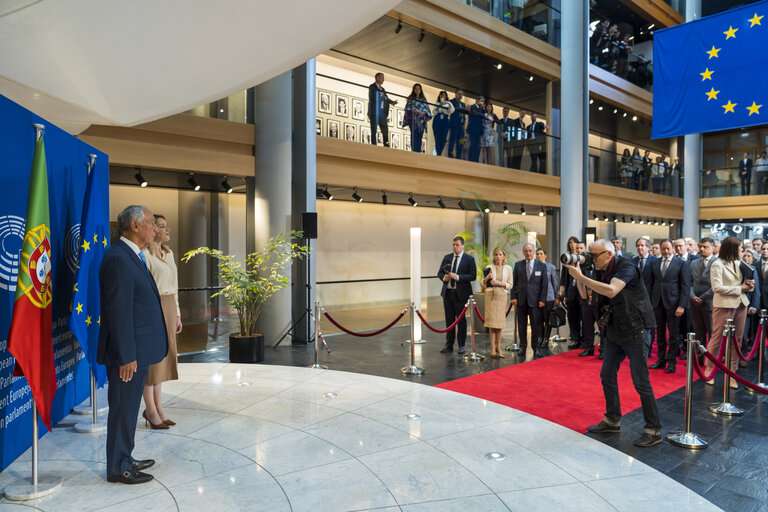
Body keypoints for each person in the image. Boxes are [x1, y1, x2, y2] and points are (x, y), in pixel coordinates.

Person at [565, 239, 661, 447]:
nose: (590, 259)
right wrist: (579, 277)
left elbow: (611, 290)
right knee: (607, 374)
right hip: (614, 329)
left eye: (594, 255)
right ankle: (612, 419)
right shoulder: (600, 269)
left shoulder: (626, 265)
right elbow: (585, 295)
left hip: (636, 328)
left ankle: (653, 429)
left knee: (640, 381)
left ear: (608, 254)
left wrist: (581, 276)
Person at [97, 205, 168, 484]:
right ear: (135, 226)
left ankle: (125, 456)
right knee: (123, 410)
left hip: (137, 351)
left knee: (127, 409)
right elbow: (119, 312)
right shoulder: (118, 258)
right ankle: (118, 467)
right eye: (151, 223)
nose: (155, 228)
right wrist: (127, 355)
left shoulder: (132, 255)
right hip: (127, 355)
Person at [141, 215, 182, 430]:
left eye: (167, 225)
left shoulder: (168, 253)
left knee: (164, 360)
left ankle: (158, 408)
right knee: (152, 363)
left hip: (168, 306)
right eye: (162, 226)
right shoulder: (145, 254)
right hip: (154, 306)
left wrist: (176, 314)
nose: (167, 230)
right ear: (153, 229)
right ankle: (150, 410)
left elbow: (174, 286)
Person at [706, 237, 754, 388]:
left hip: (741, 304)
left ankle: (731, 373)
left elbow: (747, 286)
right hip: (724, 305)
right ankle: (709, 368)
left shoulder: (739, 263)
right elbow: (717, 288)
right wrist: (741, 288)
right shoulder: (717, 264)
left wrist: (749, 285)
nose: (742, 251)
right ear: (733, 249)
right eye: (740, 248)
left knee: (737, 340)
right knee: (717, 338)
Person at [648, 239, 690, 373]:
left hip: (674, 303)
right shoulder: (654, 263)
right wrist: (649, 302)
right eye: (663, 249)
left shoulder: (681, 263)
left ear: (672, 248)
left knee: (673, 334)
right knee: (659, 333)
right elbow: (650, 284)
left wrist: (682, 305)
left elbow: (685, 286)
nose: (666, 251)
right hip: (657, 303)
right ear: (660, 249)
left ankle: (671, 361)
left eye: (668, 249)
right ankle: (661, 359)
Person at [438, 236, 477, 354]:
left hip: (461, 295)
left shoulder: (469, 259)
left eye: (457, 245)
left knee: (461, 321)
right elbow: (439, 272)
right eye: (453, 245)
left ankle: (461, 345)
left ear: (462, 245)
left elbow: (473, 276)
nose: (455, 247)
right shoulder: (447, 258)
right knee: (449, 320)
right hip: (448, 293)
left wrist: (458, 277)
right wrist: (444, 277)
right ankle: (448, 345)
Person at [512, 243, 548, 357]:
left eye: (530, 251)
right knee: (522, 325)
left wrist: (542, 299)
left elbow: (544, 285)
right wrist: (513, 297)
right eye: (526, 251)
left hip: (536, 301)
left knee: (535, 326)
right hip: (521, 300)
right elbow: (514, 284)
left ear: (534, 252)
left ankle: (536, 347)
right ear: (523, 252)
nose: (528, 253)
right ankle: (522, 347)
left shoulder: (541, 266)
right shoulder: (518, 265)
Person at [482, 248, 513, 358]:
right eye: (496, 254)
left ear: (504, 256)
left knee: (499, 324)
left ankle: (498, 346)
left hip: (501, 296)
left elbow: (510, 284)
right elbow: (482, 283)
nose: (498, 256)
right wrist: (487, 278)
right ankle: (492, 347)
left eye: (500, 254)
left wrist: (500, 283)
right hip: (490, 296)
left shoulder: (508, 268)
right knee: (492, 324)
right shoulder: (489, 268)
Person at [689, 238, 715, 351]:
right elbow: (689, 282)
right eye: (700, 246)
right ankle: (698, 357)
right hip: (694, 303)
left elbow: (716, 285)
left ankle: (713, 359)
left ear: (713, 248)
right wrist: (692, 296)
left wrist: (702, 298)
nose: (702, 249)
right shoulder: (694, 263)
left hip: (710, 302)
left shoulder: (718, 263)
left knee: (712, 332)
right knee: (698, 332)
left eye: (705, 247)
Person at [633, 238, 657, 356]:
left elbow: (656, 283)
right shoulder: (633, 261)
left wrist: (653, 301)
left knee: (649, 324)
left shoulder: (655, 261)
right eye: (638, 245)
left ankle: (648, 346)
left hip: (649, 299)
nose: (640, 248)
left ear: (648, 247)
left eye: (642, 245)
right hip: (635, 299)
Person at [561, 236, 583, 350]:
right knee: (572, 316)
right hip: (571, 291)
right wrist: (564, 292)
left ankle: (583, 339)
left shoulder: (584, 259)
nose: (573, 245)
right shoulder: (567, 258)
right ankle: (574, 338)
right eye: (571, 243)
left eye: (575, 243)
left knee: (583, 316)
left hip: (582, 291)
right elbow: (564, 276)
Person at [536, 248, 559, 356]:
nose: (539, 256)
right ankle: (540, 337)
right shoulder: (534, 266)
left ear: (545, 255)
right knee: (539, 319)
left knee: (547, 319)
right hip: (537, 297)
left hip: (549, 297)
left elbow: (554, 282)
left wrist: (556, 296)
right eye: (537, 254)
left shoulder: (550, 267)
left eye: (541, 254)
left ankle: (546, 338)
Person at [368, 73, 396, 147]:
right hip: (375, 112)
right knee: (374, 130)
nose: (383, 79)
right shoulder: (372, 87)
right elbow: (375, 97)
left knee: (385, 130)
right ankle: (374, 145)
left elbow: (386, 98)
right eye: (382, 77)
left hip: (382, 113)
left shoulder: (382, 89)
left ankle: (386, 144)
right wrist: (382, 97)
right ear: (377, 78)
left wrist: (392, 102)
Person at [404, 83, 432, 153]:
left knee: (420, 136)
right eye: (416, 89)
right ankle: (413, 151)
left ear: (420, 90)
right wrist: (416, 111)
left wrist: (424, 112)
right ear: (413, 90)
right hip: (413, 120)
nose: (417, 90)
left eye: (418, 89)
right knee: (414, 136)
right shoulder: (411, 98)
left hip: (421, 121)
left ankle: (418, 151)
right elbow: (408, 108)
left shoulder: (423, 99)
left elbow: (427, 110)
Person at [432, 90, 454, 156]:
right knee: (437, 136)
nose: (443, 96)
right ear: (440, 96)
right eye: (442, 95)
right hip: (437, 119)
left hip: (445, 120)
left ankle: (440, 152)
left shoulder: (448, 103)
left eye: (444, 95)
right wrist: (439, 105)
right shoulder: (437, 103)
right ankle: (438, 152)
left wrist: (448, 104)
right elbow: (434, 112)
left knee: (443, 137)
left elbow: (452, 111)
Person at [447, 89, 467, 159]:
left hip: (461, 126)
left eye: (461, 94)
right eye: (459, 94)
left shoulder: (463, 104)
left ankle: (458, 156)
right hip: (454, 124)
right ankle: (450, 155)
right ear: (455, 94)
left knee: (460, 141)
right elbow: (453, 110)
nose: (460, 95)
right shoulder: (451, 102)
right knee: (452, 140)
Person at [466, 97, 486, 163]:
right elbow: (475, 114)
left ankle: (476, 161)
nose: (482, 102)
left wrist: (483, 109)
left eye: (483, 101)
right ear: (477, 100)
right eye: (481, 101)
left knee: (478, 146)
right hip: (472, 129)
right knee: (473, 145)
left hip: (479, 130)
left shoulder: (482, 109)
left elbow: (485, 117)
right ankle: (470, 160)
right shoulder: (472, 107)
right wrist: (484, 114)